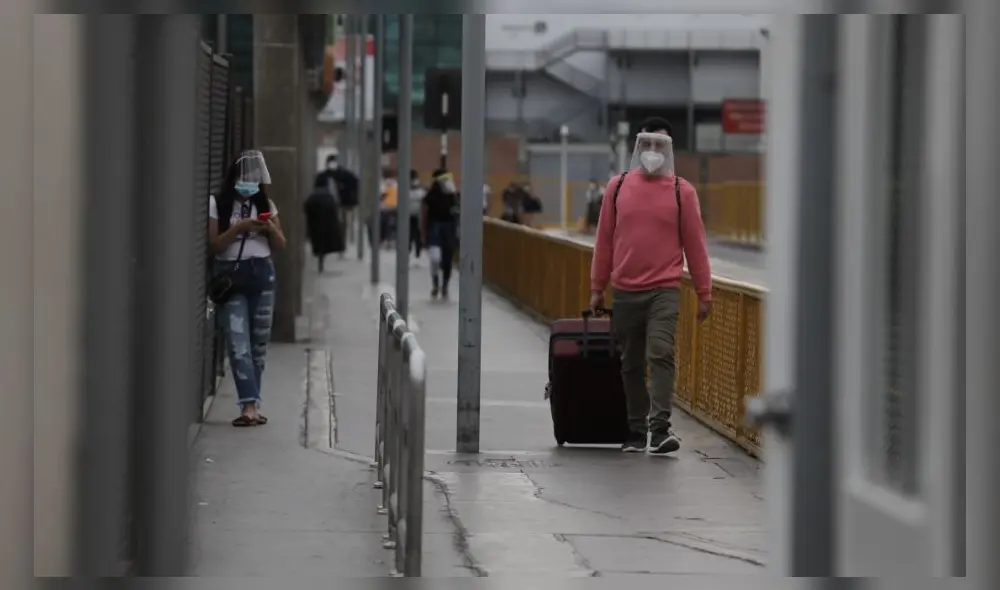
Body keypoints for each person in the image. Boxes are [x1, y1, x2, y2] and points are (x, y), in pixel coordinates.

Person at [589, 117, 712, 455]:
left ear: (670, 149)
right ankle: (635, 428)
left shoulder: (682, 192)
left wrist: (704, 291)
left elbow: (696, 245)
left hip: (664, 289)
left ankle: (659, 429)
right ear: (638, 145)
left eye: (661, 144)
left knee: (660, 352)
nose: (654, 150)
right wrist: (597, 286)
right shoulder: (617, 187)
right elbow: (604, 240)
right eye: (648, 143)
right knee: (630, 363)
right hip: (625, 290)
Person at [208, 150, 287, 427]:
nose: (250, 184)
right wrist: (238, 228)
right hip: (231, 276)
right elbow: (215, 245)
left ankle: (252, 405)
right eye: (246, 178)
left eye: (255, 179)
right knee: (238, 341)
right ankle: (249, 405)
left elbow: (281, 244)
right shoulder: (218, 204)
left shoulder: (266, 204)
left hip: (262, 274)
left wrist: (269, 228)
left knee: (258, 343)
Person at [422, 168, 460, 299]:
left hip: (449, 227)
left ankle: (445, 285)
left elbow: (459, 211)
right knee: (435, 258)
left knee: (447, 259)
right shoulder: (431, 195)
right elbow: (424, 211)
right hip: (435, 226)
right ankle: (435, 283)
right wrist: (424, 231)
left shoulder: (453, 195)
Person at [317, 152, 358, 251]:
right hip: (328, 204)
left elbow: (354, 185)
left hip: (343, 204)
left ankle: (340, 244)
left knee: (342, 223)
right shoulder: (323, 176)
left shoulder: (345, 175)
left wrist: (349, 194)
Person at [303, 173, 345, 273]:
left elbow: (306, 208)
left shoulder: (312, 197)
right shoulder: (329, 197)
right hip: (327, 228)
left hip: (316, 227)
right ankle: (321, 262)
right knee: (324, 244)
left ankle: (320, 261)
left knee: (318, 244)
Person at [407, 169, 426, 259]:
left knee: (412, 232)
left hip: (413, 213)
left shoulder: (410, 186)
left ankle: (412, 248)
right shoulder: (419, 188)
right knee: (415, 232)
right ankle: (416, 249)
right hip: (415, 213)